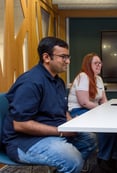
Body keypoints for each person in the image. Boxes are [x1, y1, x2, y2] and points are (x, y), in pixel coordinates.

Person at [2, 37, 96, 173]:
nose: (68, 61)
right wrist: (62, 131)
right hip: (24, 142)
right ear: (46, 57)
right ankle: (72, 166)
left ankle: (69, 168)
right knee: (72, 159)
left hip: (52, 133)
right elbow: (20, 124)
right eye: (63, 57)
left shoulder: (58, 82)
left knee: (89, 139)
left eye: (68, 57)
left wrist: (71, 124)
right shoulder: (31, 82)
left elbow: (63, 111)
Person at [68, 53, 117, 173]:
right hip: (78, 111)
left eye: (100, 63)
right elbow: (84, 102)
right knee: (106, 127)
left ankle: (116, 159)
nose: (99, 65)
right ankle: (102, 160)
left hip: (92, 109)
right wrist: (103, 110)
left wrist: (111, 110)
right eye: (96, 63)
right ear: (88, 65)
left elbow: (104, 100)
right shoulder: (83, 76)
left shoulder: (99, 79)